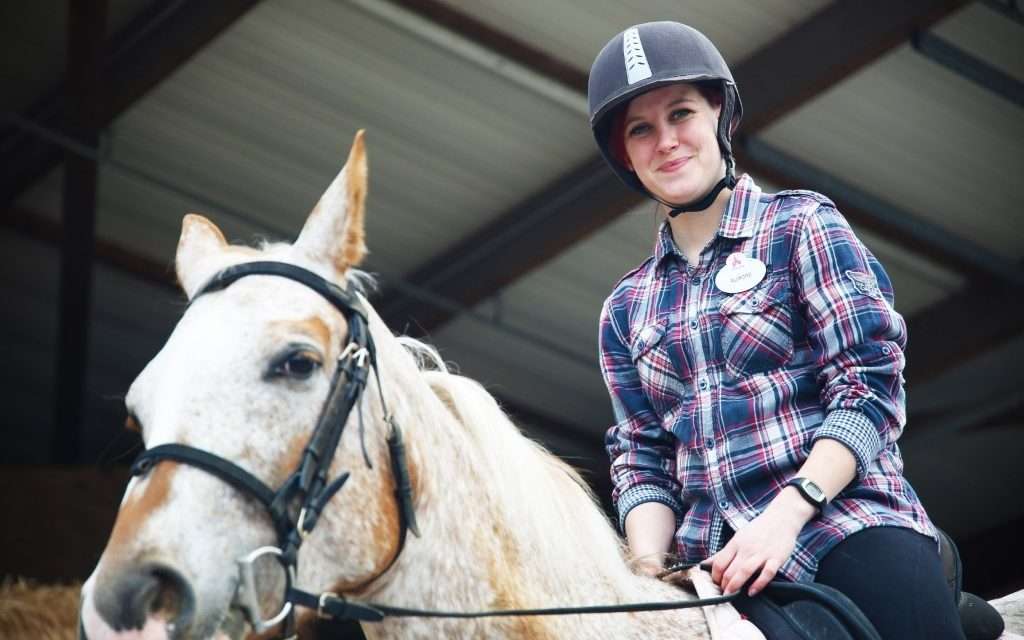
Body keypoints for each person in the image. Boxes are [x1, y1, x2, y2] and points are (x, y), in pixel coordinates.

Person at [590, 21, 964, 639]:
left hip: (841, 525)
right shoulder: (626, 309)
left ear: (719, 115)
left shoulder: (802, 225)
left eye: (680, 113)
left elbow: (867, 386)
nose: (666, 141)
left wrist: (786, 515)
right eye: (640, 129)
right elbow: (643, 460)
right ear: (624, 155)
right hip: (710, 568)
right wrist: (647, 578)